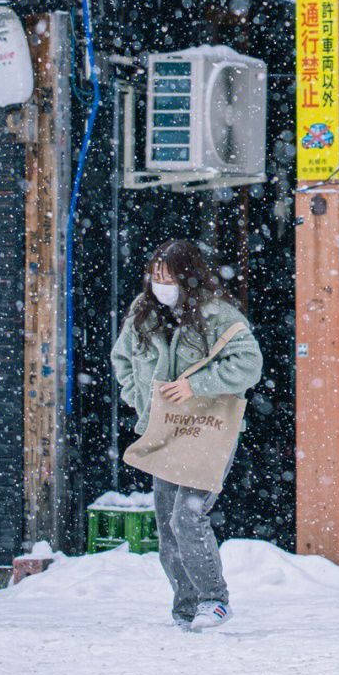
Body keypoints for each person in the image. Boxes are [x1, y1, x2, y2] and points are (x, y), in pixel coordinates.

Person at [111, 239, 263, 631]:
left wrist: (198, 386)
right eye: (155, 276)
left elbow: (249, 365)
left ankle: (214, 601)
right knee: (166, 524)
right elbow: (122, 359)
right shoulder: (142, 315)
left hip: (209, 432)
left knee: (187, 517)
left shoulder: (218, 315)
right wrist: (140, 399)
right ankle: (186, 608)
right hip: (166, 431)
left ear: (188, 275)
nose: (160, 284)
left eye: (168, 276)